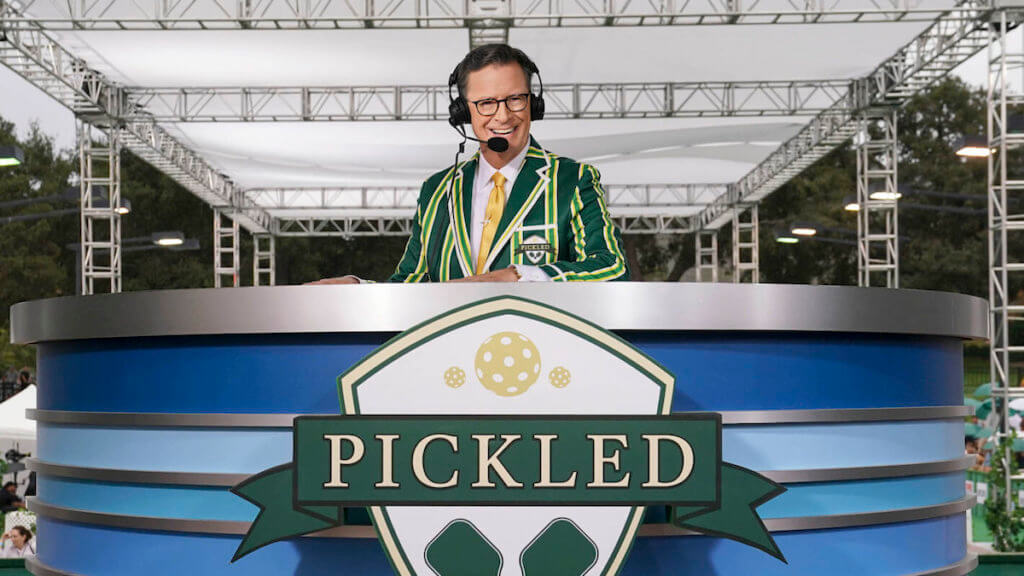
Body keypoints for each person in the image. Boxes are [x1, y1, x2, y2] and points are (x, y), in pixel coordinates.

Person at [311, 44, 629, 284]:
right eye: (487, 103)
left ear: (534, 103)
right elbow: (411, 287)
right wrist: (357, 289)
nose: (503, 116)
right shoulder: (437, 191)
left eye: (515, 99)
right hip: (450, 365)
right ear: (463, 113)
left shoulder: (573, 180)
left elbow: (611, 269)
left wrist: (522, 276)